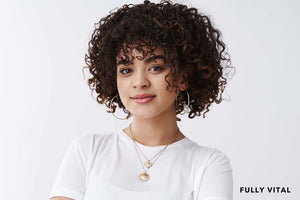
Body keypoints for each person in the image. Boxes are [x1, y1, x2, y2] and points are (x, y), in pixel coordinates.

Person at [49, 0, 234, 199]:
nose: (139, 82)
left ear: (183, 77)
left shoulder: (208, 165)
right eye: (126, 70)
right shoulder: (87, 151)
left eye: (155, 68)